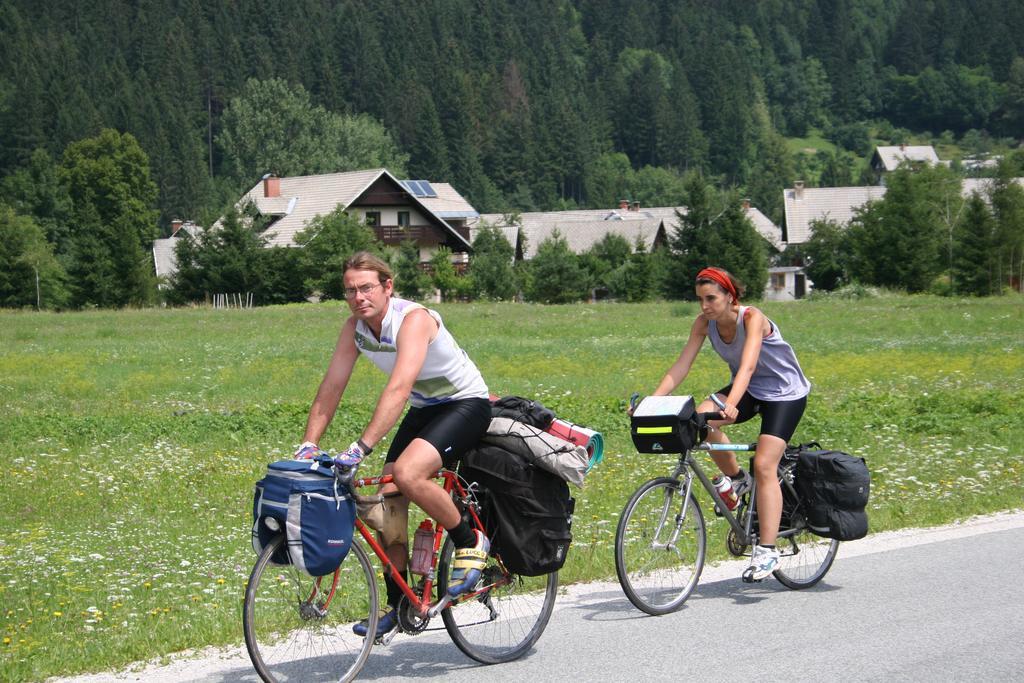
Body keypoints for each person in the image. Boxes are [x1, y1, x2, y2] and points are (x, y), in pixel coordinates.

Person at [294, 251, 492, 637]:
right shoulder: (355, 329)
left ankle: (471, 541)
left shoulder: (413, 320)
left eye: (366, 287)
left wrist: (361, 447)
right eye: (350, 290)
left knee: (407, 473)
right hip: (426, 407)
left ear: (388, 287)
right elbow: (332, 385)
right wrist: (308, 443)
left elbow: (399, 387)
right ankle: (400, 602)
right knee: (389, 500)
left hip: (465, 403)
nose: (358, 297)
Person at [645, 266, 810, 581]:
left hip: (784, 393)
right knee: (700, 420)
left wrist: (732, 403)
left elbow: (747, 366)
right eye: (700, 300)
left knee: (764, 464)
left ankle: (767, 551)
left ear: (729, 296)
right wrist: (653, 401)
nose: (704, 306)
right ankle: (736, 478)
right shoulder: (703, 324)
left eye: (711, 298)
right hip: (749, 390)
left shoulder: (752, 318)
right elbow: (682, 365)